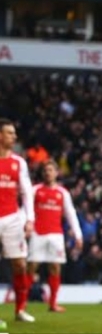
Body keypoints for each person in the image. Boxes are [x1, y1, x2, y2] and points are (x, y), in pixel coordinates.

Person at [26, 160, 83, 313]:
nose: (48, 173)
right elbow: (27, 208)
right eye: (45, 170)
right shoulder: (35, 190)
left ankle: (52, 304)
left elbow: (71, 214)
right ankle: (22, 303)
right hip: (38, 233)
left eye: (51, 170)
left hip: (56, 234)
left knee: (55, 268)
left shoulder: (62, 193)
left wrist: (78, 234)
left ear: (56, 173)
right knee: (31, 267)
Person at [0, 118, 36, 326]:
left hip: (13, 218)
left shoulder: (19, 163)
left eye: (14, 133)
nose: (14, 137)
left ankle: (20, 309)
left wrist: (29, 219)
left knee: (20, 264)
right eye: (10, 133)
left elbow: (26, 192)